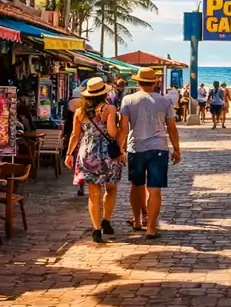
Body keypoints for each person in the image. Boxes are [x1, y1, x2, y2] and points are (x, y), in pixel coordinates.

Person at [118, 67, 181, 240]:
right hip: (159, 149)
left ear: (137, 82)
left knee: (136, 185)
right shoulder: (165, 101)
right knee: (154, 190)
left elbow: (123, 127)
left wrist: (120, 149)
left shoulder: (128, 100)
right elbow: (172, 127)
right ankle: (151, 228)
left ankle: (137, 220)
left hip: (135, 148)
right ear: (156, 82)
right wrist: (176, 149)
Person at [64, 77, 122, 243]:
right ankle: (106, 220)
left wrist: (69, 154)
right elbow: (111, 133)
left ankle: (96, 229)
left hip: (87, 152)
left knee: (93, 193)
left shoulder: (79, 112)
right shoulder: (108, 108)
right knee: (110, 188)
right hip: (107, 154)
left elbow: (75, 135)